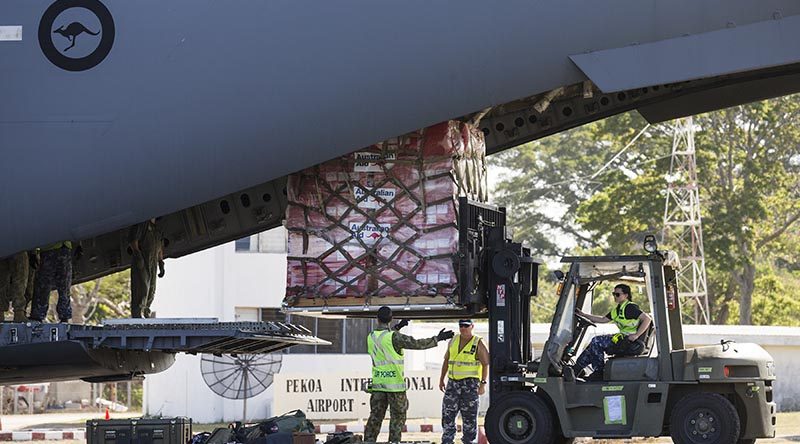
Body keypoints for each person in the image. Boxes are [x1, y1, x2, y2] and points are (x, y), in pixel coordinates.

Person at [364, 306, 454, 443]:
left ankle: (368, 441)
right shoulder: (395, 337)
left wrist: (398, 326)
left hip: (378, 387)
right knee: (397, 418)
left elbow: (385, 338)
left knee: (375, 418)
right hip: (395, 387)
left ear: (377, 319)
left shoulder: (371, 337)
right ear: (391, 318)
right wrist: (438, 338)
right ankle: (394, 442)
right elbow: (417, 344)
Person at [573, 283, 652, 380]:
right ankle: (576, 369)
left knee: (596, 341)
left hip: (628, 340)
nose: (615, 296)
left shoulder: (629, 308)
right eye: (614, 294)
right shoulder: (617, 310)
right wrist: (584, 315)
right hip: (621, 337)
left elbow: (647, 319)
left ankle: (599, 372)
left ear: (626, 295)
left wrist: (636, 335)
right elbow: (602, 319)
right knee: (592, 347)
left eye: (617, 294)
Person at [439, 319, 489, 444]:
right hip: (453, 383)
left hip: (470, 385)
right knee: (448, 414)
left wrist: (483, 383)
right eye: (461, 326)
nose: (463, 328)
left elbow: (485, 364)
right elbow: (446, 360)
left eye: (466, 326)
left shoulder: (478, 342)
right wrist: (441, 379)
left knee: (469, 417)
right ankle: (447, 440)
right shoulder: (454, 340)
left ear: (472, 326)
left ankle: (469, 441)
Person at [29, 241, 80, 322]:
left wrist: (78, 244)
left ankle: (64, 316)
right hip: (48, 249)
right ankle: (37, 315)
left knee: (64, 285)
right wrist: (33, 252)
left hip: (64, 248)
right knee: (43, 285)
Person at [129, 218, 165, 318]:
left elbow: (160, 247)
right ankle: (137, 314)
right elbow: (133, 240)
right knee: (141, 286)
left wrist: (161, 262)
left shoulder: (157, 229)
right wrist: (137, 254)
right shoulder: (142, 224)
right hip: (142, 260)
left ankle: (146, 311)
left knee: (152, 288)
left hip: (153, 263)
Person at [0, 252, 30, 322]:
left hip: (19, 248)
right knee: (1, 281)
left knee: (20, 280)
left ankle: (19, 312)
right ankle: (1, 312)